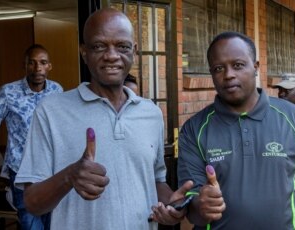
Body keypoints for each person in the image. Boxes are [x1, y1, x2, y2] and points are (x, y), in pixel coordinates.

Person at [14, 9, 192, 230]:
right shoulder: (51, 111)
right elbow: (32, 203)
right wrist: (69, 176)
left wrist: (174, 204)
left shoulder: (151, 113)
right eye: (99, 46)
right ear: (84, 52)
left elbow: (154, 182)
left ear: (134, 52)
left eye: (122, 46)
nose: (111, 55)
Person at [177, 31, 295, 230]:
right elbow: (191, 209)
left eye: (238, 65)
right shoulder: (194, 129)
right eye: (218, 68)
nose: (228, 75)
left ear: (256, 67)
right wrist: (199, 205)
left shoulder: (294, 118)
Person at [0, 44, 63, 230]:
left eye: (43, 63)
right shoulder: (8, 92)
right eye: (32, 63)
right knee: (30, 223)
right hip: (21, 169)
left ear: (49, 66)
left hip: (50, 168)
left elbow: (61, 129)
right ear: (25, 66)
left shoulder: (57, 91)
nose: (37, 68)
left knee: (53, 222)